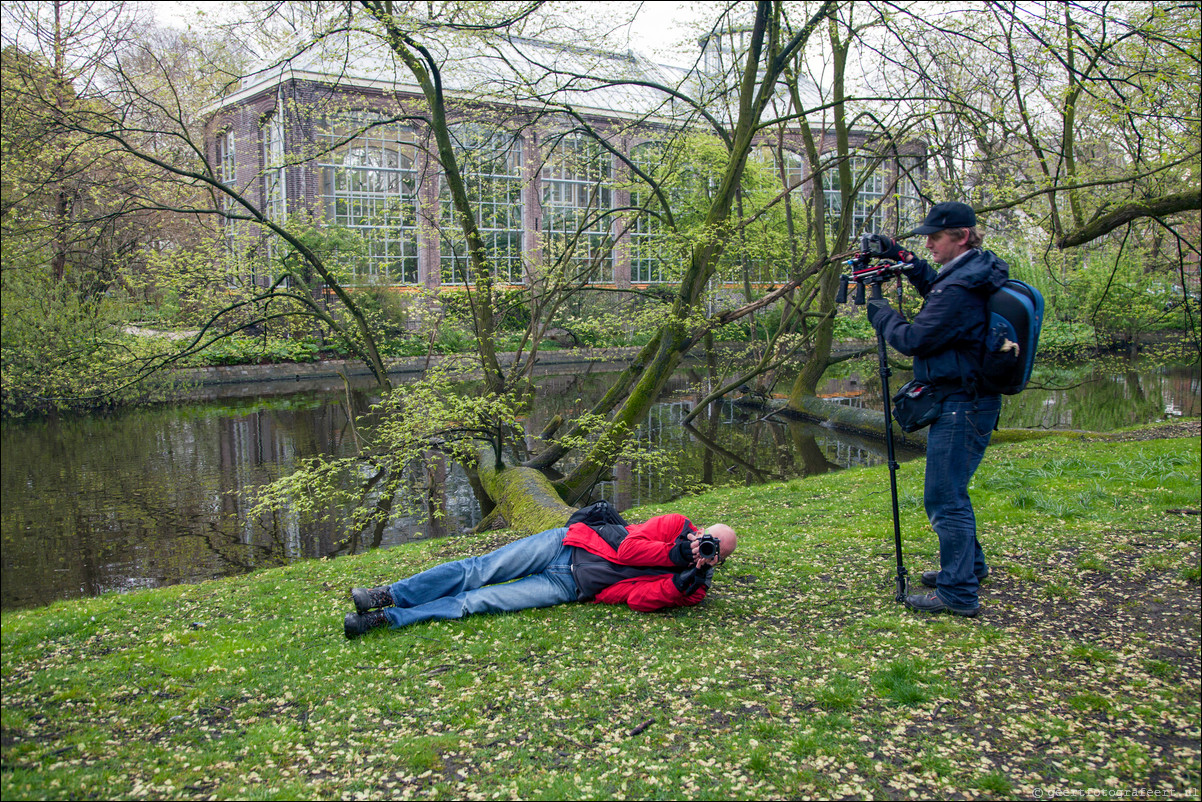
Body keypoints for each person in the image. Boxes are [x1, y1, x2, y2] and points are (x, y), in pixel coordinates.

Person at [862, 201, 1009, 617]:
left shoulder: (961, 288)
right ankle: (970, 568)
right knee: (953, 491)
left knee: (944, 497)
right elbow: (939, 293)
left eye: (936, 237)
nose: (929, 243)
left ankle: (958, 592)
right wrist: (904, 260)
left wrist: (882, 314)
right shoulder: (975, 271)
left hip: (962, 404)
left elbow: (916, 340)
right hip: (972, 398)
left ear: (961, 236)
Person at [343, 503, 737, 638]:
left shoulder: (695, 588)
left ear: (718, 559)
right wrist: (673, 555)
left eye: (714, 551)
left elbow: (635, 599)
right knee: (477, 570)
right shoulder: (675, 527)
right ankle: (389, 593)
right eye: (706, 536)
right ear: (700, 530)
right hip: (566, 543)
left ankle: (387, 619)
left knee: (476, 602)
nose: (704, 545)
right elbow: (629, 546)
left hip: (567, 585)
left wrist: (680, 582)